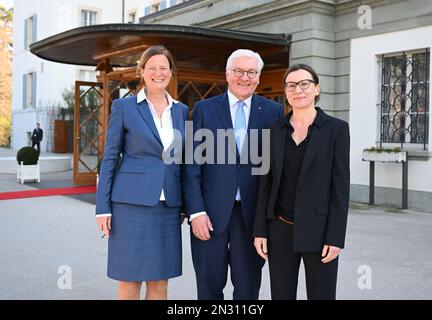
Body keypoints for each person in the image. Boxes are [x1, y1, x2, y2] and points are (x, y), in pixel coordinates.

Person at [183, 49, 283, 300]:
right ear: (227, 74)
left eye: (251, 72)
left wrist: (270, 218)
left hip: (252, 217)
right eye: (238, 71)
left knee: (248, 288)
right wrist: (195, 212)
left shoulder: (273, 112)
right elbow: (191, 165)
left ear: (259, 77)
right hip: (209, 214)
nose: (244, 77)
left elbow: (275, 169)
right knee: (208, 287)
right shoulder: (204, 109)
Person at [95, 45, 189, 300]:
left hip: (168, 208)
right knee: (129, 281)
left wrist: (186, 205)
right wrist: (102, 207)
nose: (158, 73)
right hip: (130, 207)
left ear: (171, 72)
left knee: (160, 282)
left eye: (164, 68)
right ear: (142, 71)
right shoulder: (124, 107)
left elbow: (182, 161)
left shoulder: (181, 110)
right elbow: (110, 158)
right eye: (152, 68)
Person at [253, 64, 350, 300]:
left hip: (319, 230)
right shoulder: (273, 130)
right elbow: (264, 184)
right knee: (281, 295)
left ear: (316, 89)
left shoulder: (336, 130)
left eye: (304, 84)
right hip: (280, 228)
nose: (298, 89)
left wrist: (335, 237)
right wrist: (260, 231)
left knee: (321, 296)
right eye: (291, 85)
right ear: (286, 92)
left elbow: (340, 187)